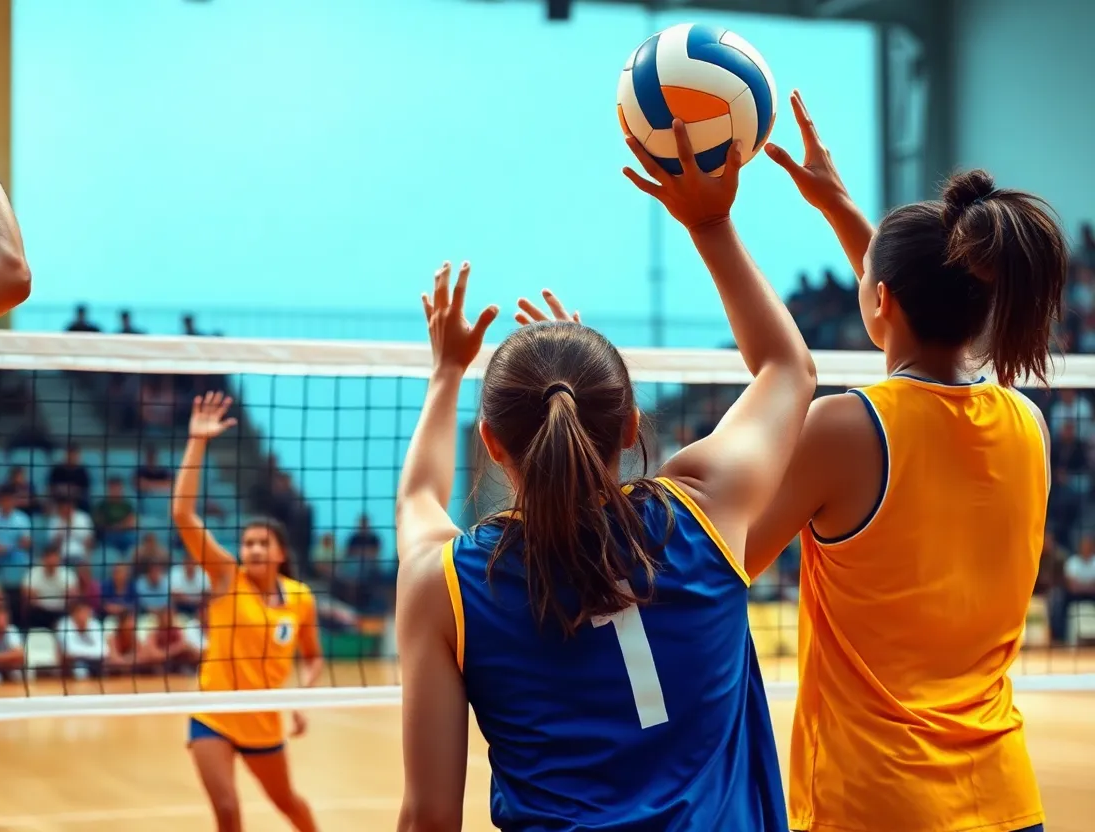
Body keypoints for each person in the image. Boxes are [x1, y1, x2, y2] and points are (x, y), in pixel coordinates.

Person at [394, 122, 815, 831]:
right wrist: (709, 224)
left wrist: (446, 375)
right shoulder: (705, 513)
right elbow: (789, 368)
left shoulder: (446, 588)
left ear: (492, 444)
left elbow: (431, 819)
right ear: (628, 426)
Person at [745, 90, 1064, 832]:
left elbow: (731, 555)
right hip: (1009, 802)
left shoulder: (845, 428)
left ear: (880, 299)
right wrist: (843, 209)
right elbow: (916, 305)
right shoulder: (1029, 424)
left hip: (876, 804)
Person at [172, 393, 325, 832]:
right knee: (227, 809)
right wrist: (197, 441)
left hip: (263, 719)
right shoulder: (226, 578)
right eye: (248, 542)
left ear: (279, 553)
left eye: (263, 543)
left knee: (289, 805)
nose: (254, 548)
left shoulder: (299, 598)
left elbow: (313, 657)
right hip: (214, 713)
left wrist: (302, 693)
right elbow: (182, 514)